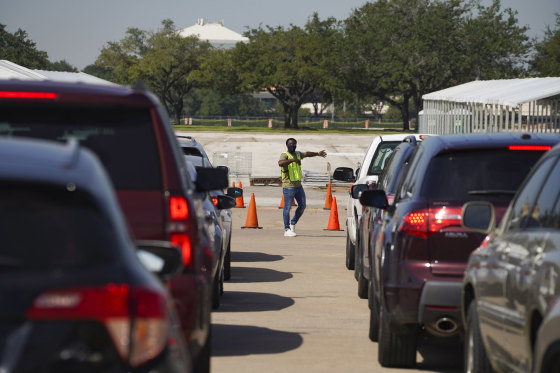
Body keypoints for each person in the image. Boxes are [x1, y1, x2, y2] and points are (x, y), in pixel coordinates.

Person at [278, 138, 327, 237]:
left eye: (294, 144)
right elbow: (280, 163)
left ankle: (293, 223)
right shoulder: (285, 154)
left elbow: (307, 154)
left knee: (302, 205)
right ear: (287, 145)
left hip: (298, 186)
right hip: (288, 186)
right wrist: (293, 160)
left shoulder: (298, 154)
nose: (293, 146)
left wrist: (317, 153)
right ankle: (286, 229)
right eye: (291, 144)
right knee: (287, 208)